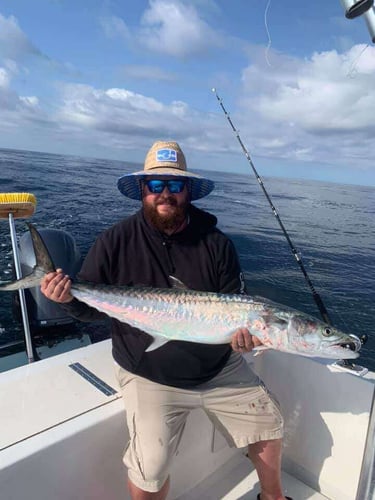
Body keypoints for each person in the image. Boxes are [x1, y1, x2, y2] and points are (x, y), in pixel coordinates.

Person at [40, 140, 291, 500]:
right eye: (156, 186)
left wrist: (244, 338)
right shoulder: (115, 240)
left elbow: (234, 304)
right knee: (151, 468)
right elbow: (89, 309)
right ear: (143, 190)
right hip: (148, 371)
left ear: (188, 192)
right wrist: (65, 298)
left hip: (218, 368)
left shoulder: (217, 244)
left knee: (268, 423)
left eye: (175, 185)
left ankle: (273, 497)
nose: (165, 194)